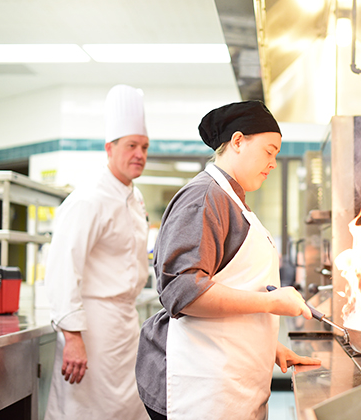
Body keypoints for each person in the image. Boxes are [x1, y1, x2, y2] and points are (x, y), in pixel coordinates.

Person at [136, 101, 321, 420]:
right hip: (201, 390)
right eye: (269, 151)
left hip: (225, 380)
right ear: (238, 141)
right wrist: (271, 303)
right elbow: (183, 292)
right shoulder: (206, 198)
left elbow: (232, 282)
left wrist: (270, 348)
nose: (273, 163)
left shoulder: (233, 200)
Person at [44, 84, 150, 420]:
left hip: (124, 325)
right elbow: (62, 268)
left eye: (145, 147)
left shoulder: (135, 198)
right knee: (85, 411)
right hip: (91, 326)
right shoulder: (88, 199)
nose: (140, 154)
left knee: (126, 410)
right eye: (131, 145)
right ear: (110, 148)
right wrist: (72, 337)